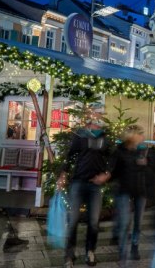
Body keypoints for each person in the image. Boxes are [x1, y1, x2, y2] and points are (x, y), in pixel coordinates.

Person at [111, 126, 155, 268]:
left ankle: (135, 247)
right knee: (125, 223)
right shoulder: (121, 150)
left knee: (138, 222)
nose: (142, 137)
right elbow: (114, 170)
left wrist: (149, 162)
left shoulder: (146, 150)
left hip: (141, 190)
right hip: (124, 190)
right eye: (139, 134)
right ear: (132, 137)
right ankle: (122, 255)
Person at [57, 114, 111, 268]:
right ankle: (69, 254)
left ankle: (90, 251)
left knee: (93, 222)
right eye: (95, 123)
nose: (98, 126)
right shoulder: (80, 136)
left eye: (100, 123)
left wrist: (107, 174)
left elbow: (113, 160)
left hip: (95, 186)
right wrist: (63, 174)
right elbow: (69, 156)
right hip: (78, 183)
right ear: (89, 124)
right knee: (73, 220)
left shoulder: (105, 139)